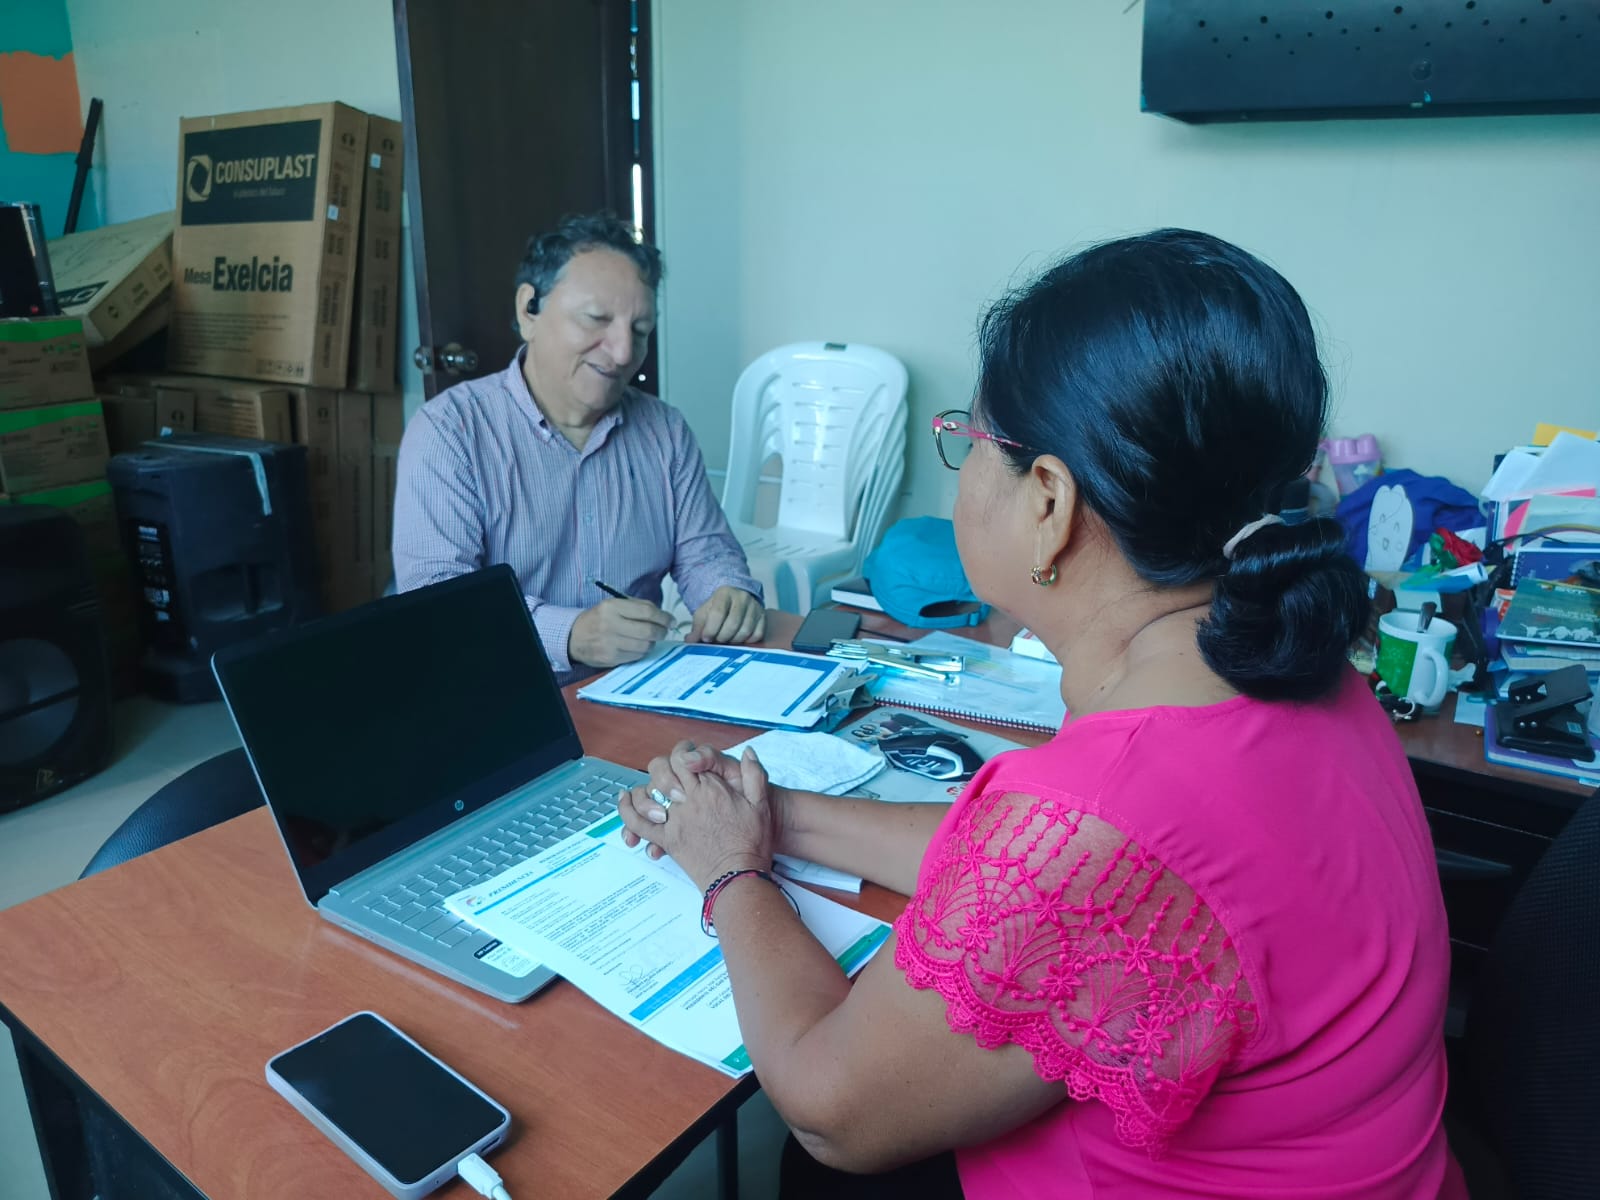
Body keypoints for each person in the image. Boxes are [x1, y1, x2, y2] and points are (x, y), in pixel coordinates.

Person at [614, 231, 1467, 1198]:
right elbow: (1026, 871)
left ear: (1050, 502)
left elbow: (827, 1108)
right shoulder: (1291, 671)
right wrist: (768, 816)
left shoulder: (1114, 807)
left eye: (969, 444)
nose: (961, 471)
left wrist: (730, 873)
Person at [392, 213, 764, 684]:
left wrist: (728, 594)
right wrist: (568, 635)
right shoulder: (450, 431)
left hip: (635, 687)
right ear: (529, 310)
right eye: (597, 320)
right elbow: (437, 605)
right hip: (501, 691)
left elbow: (706, 552)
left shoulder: (665, 430)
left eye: (641, 330)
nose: (624, 353)